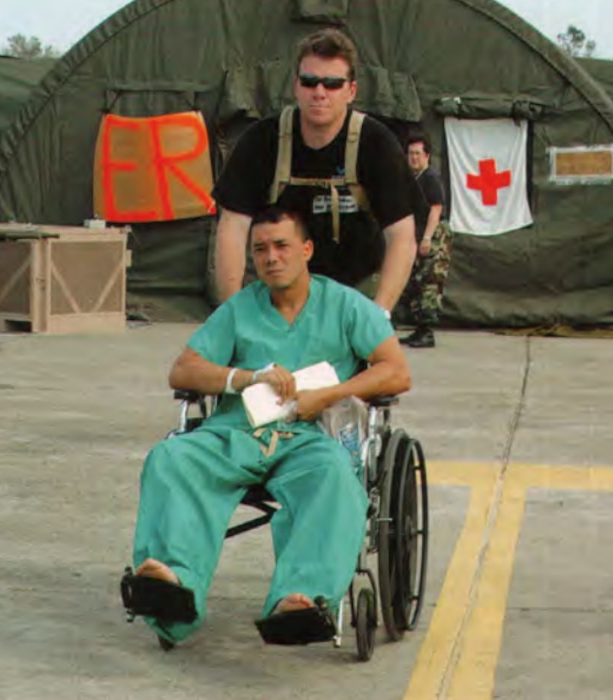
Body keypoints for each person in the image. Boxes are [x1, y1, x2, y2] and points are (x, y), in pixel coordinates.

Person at [121, 206, 411, 647]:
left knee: (334, 475)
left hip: (313, 439)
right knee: (173, 456)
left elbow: (395, 372)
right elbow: (183, 370)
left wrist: (328, 395)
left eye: (281, 246)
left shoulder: (345, 305)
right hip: (237, 434)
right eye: (260, 250)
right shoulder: (240, 309)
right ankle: (172, 584)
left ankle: (302, 598)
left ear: (307, 249)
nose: (271, 257)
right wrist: (244, 377)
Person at [211, 28, 419, 313]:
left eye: (332, 84)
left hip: (355, 294)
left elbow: (402, 234)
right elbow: (232, 227)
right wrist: (231, 312)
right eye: (310, 82)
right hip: (277, 295)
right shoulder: (262, 140)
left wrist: (379, 314)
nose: (319, 93)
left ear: (351, 91)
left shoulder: (376, 143)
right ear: (296, 86)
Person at [397, 134, 451, 349]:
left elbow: (436, 209)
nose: (413, 158)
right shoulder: (413, 178)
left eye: (417, 154)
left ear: (427, 155)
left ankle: (427, 332)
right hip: (417, 233)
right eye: (410, 154)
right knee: (417, 282)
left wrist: (427, 238)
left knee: (429, 282)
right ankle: (419, 329)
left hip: (434, 234)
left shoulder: (431, 178)